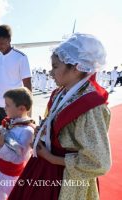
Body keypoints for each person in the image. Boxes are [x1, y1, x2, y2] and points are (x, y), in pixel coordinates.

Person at [9, 33, 112, 200]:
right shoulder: (60, 92)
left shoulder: (90, 106)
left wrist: (53, 158)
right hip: (44, 165)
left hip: (66, 176)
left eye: (55, 67)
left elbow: (99, 162)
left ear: (76, 67)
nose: (51, 72)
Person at [0, 87, 34, 200]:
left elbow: (19, 158)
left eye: (8, 105)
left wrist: (1, 143)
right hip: (0, 170)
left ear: (21, 108)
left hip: (13, 176)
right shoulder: (10, 122)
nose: (4, 108)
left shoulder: (27, 131)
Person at [0, 25, 32, 125]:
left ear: (9, 39)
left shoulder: (21, 57)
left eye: (2, 43)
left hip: (12, 106)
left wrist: (28, 109)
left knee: (12, 136)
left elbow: (27, 83)